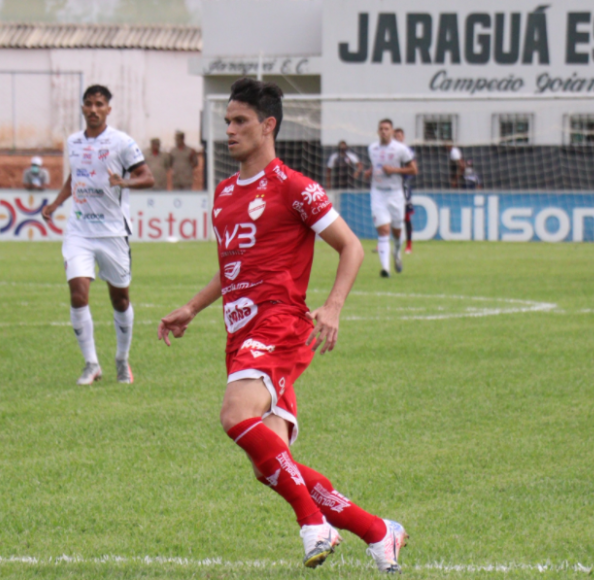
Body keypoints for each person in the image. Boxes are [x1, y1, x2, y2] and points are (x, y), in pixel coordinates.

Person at [157, 78, 407, 573]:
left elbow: (351, 246)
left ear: (268, 125)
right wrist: (192, 307)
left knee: (234, 413)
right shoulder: (226, 193)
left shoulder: (295, 187)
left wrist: (333, 306)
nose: (229, 130)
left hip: (280, 324)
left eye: (240, 121)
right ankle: (381, 533)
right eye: (226, 121)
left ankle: (313, 524)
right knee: (269, 467)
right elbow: (232, 268)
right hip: (239, 331)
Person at [42, 85, 155, 385]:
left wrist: (125, 183)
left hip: (113, 232)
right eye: (88, 104)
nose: (93, 109)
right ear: (82, 108)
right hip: (79, 230)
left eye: (99, 104)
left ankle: (121, 359)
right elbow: (75, 176)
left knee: (120, 300)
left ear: (108, 109)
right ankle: (91, 364)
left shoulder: (121, 142)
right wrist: (55, 203)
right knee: (78, 293)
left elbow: (148, 176)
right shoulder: (73, 142)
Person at [364, 119, 418, 277]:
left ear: (392, 131)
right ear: (377, 131)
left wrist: (394, 170)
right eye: (381, 128)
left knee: (396, 231)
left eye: (386, 128)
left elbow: (413, 170)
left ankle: (396, 253)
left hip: (395, 194)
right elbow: (376, 165)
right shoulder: (372, 148)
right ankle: (385, 269)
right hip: (378, 193)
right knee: (383, 229)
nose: (383, 131)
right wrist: (369, 172)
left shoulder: (401, 149)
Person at [392, 128, 415, 254]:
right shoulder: (389, 151)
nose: (397, 138)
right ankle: (383, 243)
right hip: (390, 187)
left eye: (399, 136)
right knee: (386, 217)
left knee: (406, 217)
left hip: (404, 186)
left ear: (403, 137)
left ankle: (409, 245)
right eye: (395, 136)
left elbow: (413, 169)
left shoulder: (407, 151)